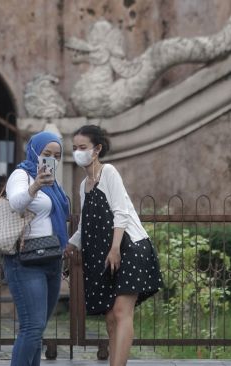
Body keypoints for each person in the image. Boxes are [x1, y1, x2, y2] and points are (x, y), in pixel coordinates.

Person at [64, 125, 163, 366]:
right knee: (110, 318)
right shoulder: (83, 185)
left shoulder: (109, 172)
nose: (78, 152)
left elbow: (121, 213)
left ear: (97, 149)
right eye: (75, 148)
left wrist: (115, 248)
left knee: (120, 312)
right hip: (102, 254)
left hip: (128, 248)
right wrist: (69, 246)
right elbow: (85, 225)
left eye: (83, 147)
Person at [4, 131, 70, 366]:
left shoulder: (55, 185)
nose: (51, 158)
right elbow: (15, 203)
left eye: (56, 155)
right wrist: (35, 186)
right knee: (31, 328)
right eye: (46, 153)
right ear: (34, 151)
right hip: (26, 260)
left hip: (52, 258)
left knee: (37, 328)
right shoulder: (21, 175)